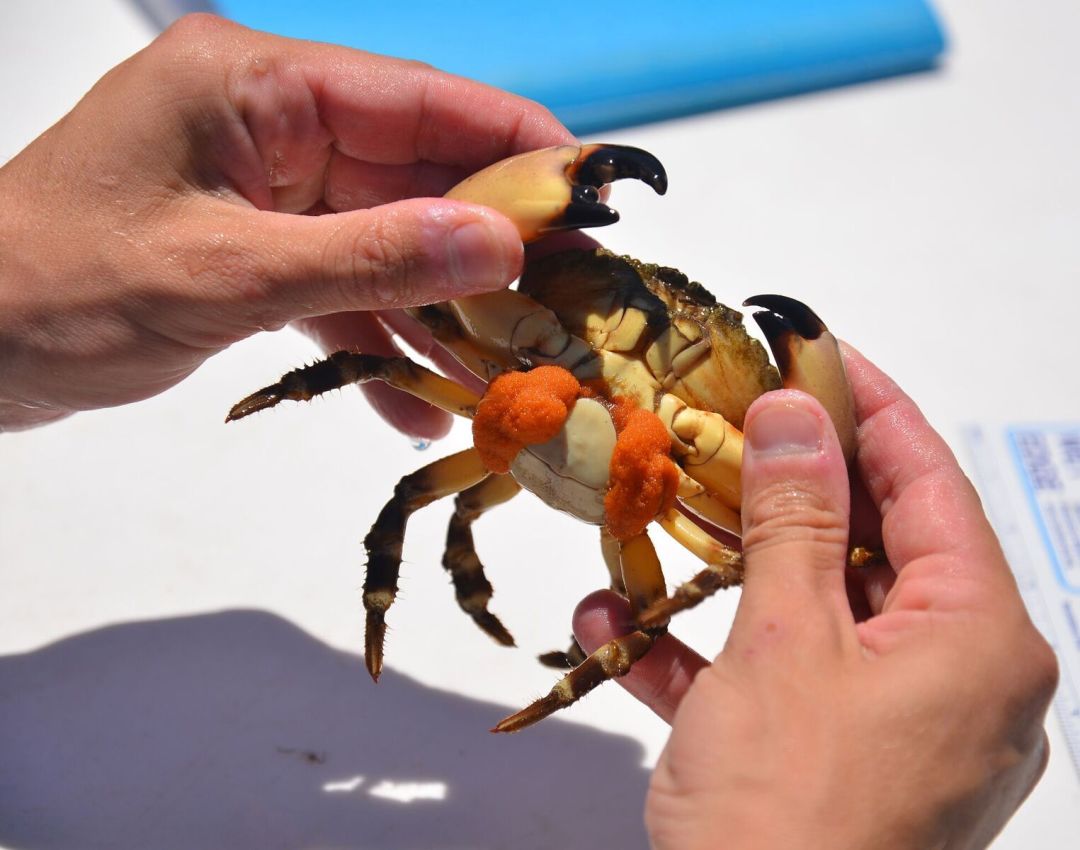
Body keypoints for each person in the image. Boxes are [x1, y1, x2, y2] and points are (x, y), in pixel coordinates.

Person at [0, 14, 1058, 850]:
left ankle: (556, 666)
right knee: (428, 503)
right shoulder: (510, 336)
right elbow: (418, 312)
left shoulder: (729, 480)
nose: (657, 341)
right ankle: (443, 595)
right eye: (635, 312)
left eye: (692, 339)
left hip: (658, 523)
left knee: (629, 596)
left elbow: (777, 536)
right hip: (521, 433)